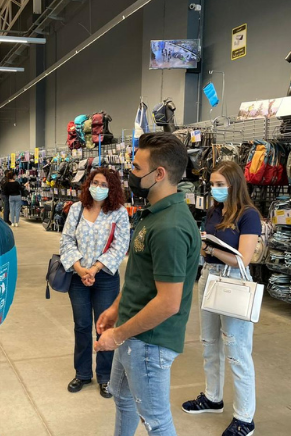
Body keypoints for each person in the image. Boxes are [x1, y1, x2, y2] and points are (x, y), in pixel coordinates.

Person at [94, 132, 200, 436]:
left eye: (137, 169)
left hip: (149, 342)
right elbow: (141, 277)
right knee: (124, 399)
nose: (131, 175)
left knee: (156, 420)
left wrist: (118, 335)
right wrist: (116, 308)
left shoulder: (171, 227)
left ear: (160, 174)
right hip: (132, 331)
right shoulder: (153, 215)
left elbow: (168, 302)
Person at [181, 160, 261, 436]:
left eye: (220, 185)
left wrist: (211, 249)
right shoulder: (215, 211)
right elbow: (206, 251)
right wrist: (203, 247)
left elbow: (244, 259)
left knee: (237, 351)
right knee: (209, 344)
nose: (214, 189)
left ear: (234, 184)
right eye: (212, 184)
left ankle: (244, 418)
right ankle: (213, 397)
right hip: (209, 279)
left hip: (234, 282)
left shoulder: (248, 215)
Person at [60, 168, 130, 399]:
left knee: (104, 327)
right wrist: (80, 269)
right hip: (78, 278)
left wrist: (95, 268)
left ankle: (105, 376)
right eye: (95, 182)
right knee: (81, 325)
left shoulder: (118, 213)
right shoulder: (77, 209)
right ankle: (82, 373)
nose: (98, 188)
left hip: (106, 278)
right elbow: (67, 240)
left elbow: (120, 245)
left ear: (112, 189)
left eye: (104, 185)